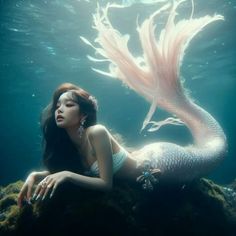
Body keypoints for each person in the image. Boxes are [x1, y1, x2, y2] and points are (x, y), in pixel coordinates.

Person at [18, 0, 227, 208]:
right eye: (57, 106)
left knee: (215, 153)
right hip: (146, 155)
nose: (59, 110)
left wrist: (66, 175)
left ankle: (181, 100)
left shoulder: (96, 132)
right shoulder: (74, 142)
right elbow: (78, 170)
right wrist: (35, 175)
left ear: (83, 115)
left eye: (68, 105)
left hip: (162, 162)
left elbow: (105, 184)